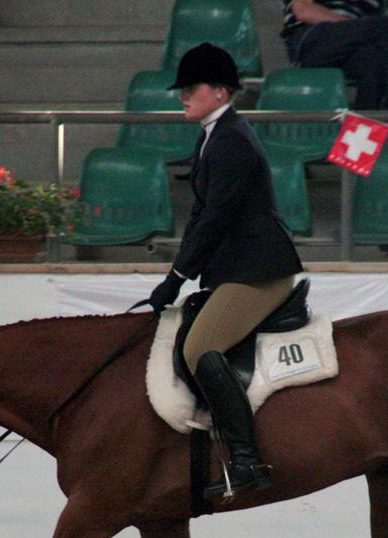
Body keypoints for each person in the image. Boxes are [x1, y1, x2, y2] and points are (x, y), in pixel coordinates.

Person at [146, 42, 304, 500]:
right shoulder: (214, 134)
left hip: (260, 271)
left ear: (219, 91)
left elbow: (215, 218)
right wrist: (176, 273)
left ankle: (246, 459)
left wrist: (176, 279)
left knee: (199, 347)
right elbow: (200, 215)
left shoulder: (231, 139)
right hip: (238, 267)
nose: (182, 96)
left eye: (189, 89)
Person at [280, 0, 388, 110]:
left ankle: (362, 129)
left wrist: (358, 29)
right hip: (313, 38)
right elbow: (303, 11)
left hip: (353, 44)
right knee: (382, 25)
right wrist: (351, 25)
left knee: (373, 59)